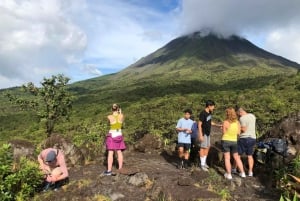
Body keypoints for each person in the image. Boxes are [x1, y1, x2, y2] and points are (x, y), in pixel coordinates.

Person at [221, 107, 246, 180]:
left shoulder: (225, 122)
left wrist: (223, 128)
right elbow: (238, 133)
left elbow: (224, 133)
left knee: (227, 158)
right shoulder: (237, 122)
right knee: (237, 158)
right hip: (234, 141)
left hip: (226, 140)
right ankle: (243, 173)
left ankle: (229, 174)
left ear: (227, 114)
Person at [198, 100, 221, 171]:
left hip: (208, 133)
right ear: (209, 106)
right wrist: (201, 135)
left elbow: (210, 122)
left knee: (208, 147)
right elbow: (199, 124)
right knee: (203, 148)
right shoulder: (203, 113)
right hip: (204, 133)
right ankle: (202, 164)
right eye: (213, 106)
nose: (213, 108)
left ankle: (204, 162)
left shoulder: (209, 113)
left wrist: (218, 125)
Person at [103, 104, 126, 176]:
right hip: (119, 134)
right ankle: (120, 169)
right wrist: (120, 112)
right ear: (118, 109)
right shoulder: (121, 115)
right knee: (119, 152)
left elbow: (108, 124)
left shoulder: (109, 117)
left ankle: (109, 171)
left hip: (112, 135)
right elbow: (121, 123)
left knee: (110, 153)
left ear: (111, 109)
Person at [235, 107, 256, 177]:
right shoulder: (252, 116)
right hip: (253, 138)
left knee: (237, 155)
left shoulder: (242, 118)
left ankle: (241, 172)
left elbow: (244, 129)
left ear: (240, 112)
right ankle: (250, 172)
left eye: (238, 114)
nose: (238, 116)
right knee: (250, 156)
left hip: (244, 138)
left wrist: (237, 127)